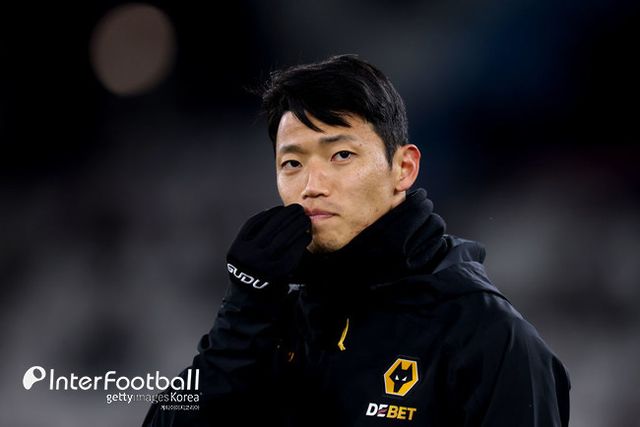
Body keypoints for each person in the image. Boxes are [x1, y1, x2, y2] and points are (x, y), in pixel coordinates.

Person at [142, 54, 570, 426]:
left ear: (403, 168)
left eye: (341, 155)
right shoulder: (269, 324)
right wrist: (241, 314)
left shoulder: (488, 338)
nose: (312, 185)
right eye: (292, 163)